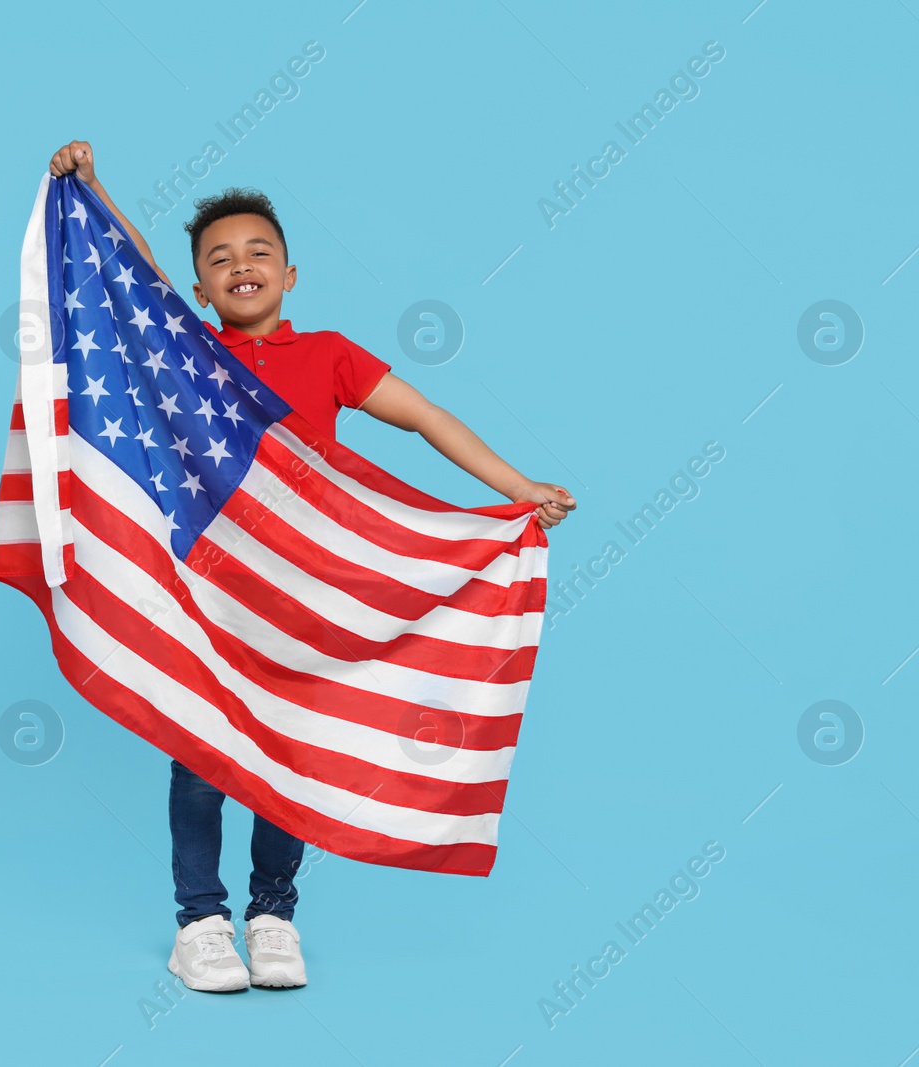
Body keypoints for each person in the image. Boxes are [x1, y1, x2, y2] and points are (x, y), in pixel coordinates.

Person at [47, 140, 575, 993]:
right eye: (218, 259)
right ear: (198, 287)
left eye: (258, 253)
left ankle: (273, 912)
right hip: (212, 593)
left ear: (290, 274)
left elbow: (424, 416)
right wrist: (94, 188)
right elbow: (133, 276)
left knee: (290, 751)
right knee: (201, 754)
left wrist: (516, 487)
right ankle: (201, 920)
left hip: (304, 596)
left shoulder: (326, 352)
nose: (240, 266)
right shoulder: (188, 352)